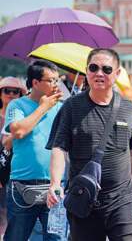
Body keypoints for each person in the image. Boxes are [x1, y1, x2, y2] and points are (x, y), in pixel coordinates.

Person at [47, 49, 132, 240]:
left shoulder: (128, 108)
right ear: (86, 71)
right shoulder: (71, 107)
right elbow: (59, 147)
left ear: (116, 74)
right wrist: (55, 183)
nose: (99, 73)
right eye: (94, 68)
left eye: (106, 69)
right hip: (83, 199)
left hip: (121, 201)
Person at [2, 60, 63, 241]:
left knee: (56, 238)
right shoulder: (17, 105)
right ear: (35, 82)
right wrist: (44, 107)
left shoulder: (62, 107)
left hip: (54, 185)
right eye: (51, 80)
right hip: (22, 185)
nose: (55, 84)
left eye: (57, 80)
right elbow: (18, 131)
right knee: (16, 237)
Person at [0, 77, 27, 237]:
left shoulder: (25, 120)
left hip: (16, 172)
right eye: (6, 90)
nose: (10, 94)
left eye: (15, 91)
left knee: (9, 215)